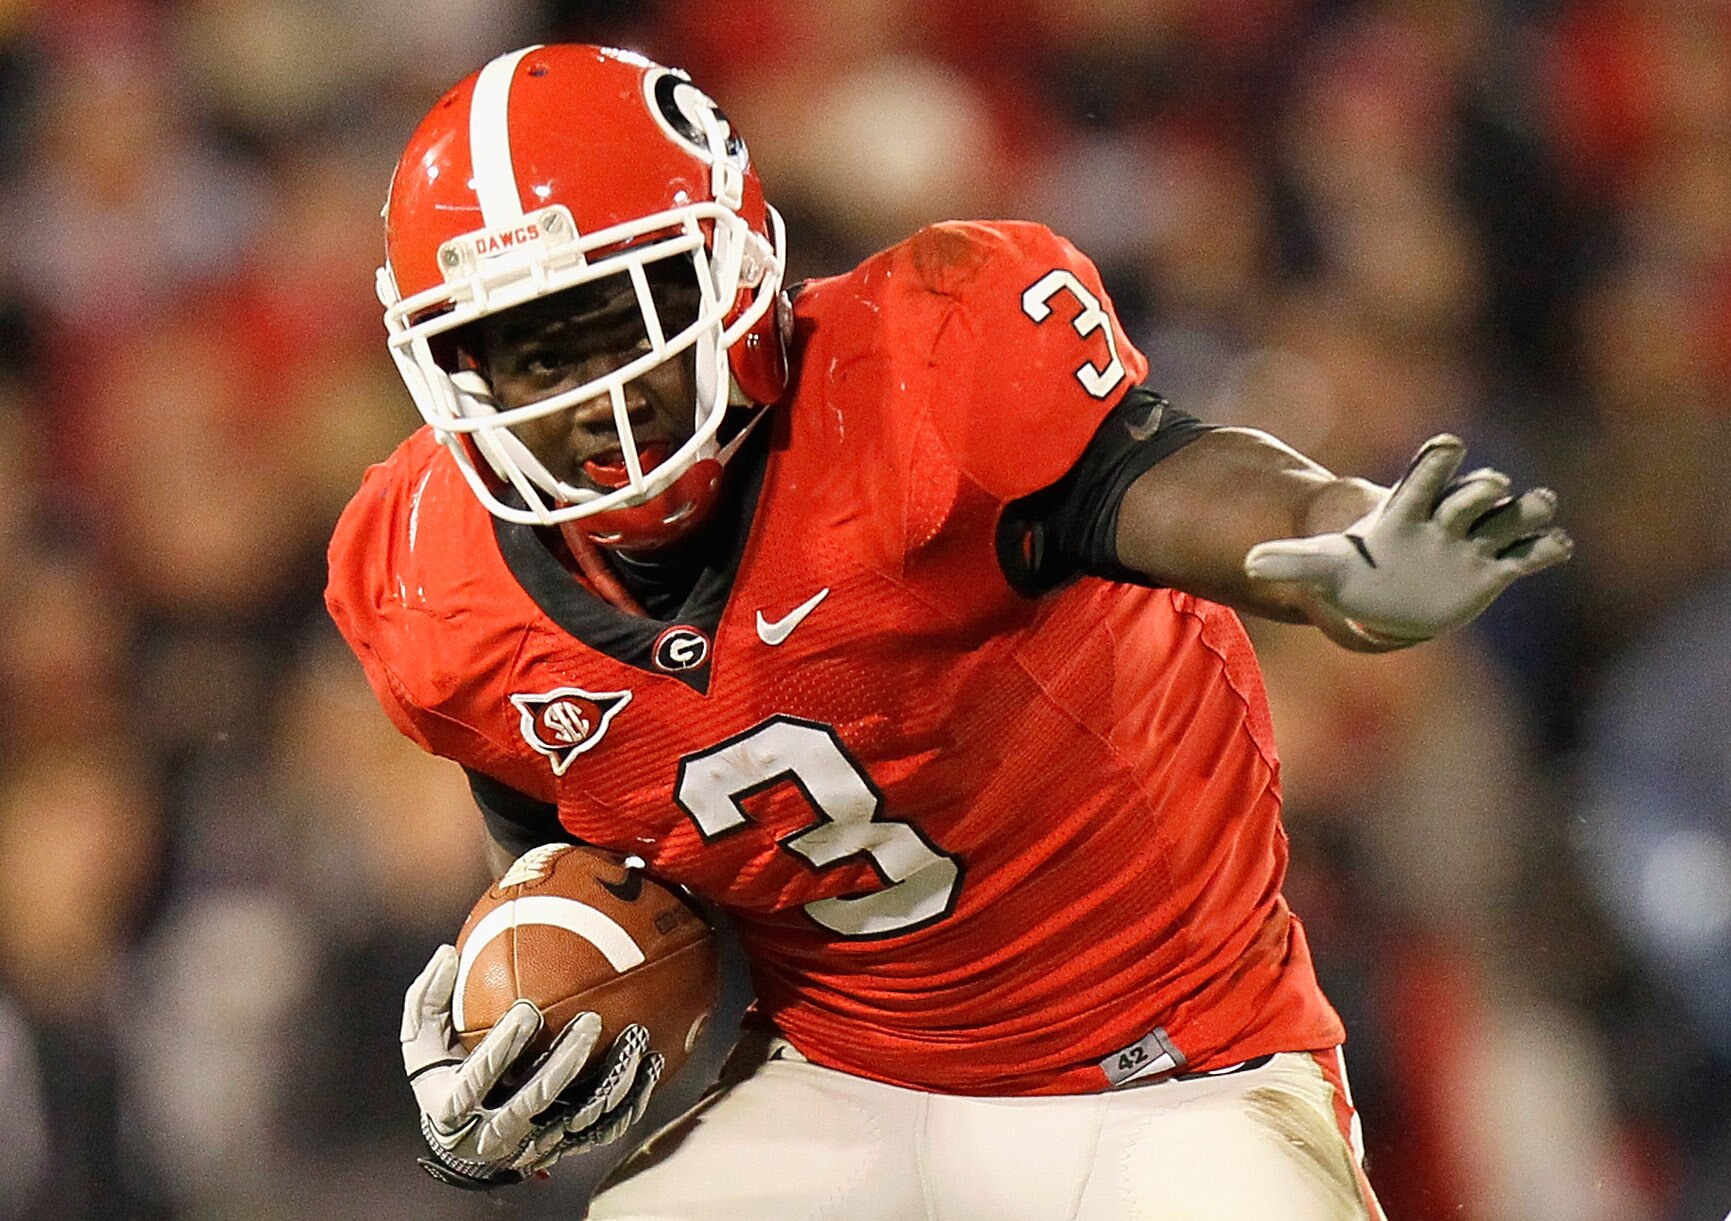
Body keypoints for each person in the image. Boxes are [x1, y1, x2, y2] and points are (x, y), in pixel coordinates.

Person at [326, 43, 1571, 1220]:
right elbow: (608, 893)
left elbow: (1170, 476)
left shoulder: (924, 377)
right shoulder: (432, 584)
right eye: (521, 354)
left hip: (1172, 1063)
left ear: (734, 269)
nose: (590, 395)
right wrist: (527, 1050)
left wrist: (1331, 542)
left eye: (620, 315)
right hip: (845, 1080)